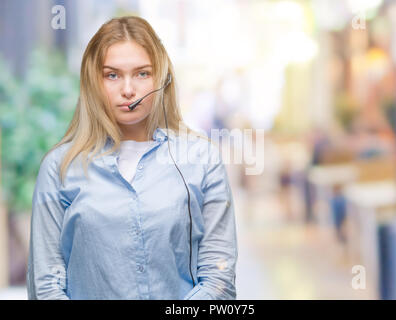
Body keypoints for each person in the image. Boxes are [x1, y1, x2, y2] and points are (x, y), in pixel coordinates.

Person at [26, 16, 238, 300]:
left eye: (142, 73)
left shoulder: (202, 160)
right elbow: (46, 287)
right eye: (112, 75)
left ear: (161, 79)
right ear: (93, 82)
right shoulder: (59, 168)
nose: (128, 89)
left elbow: (218, 279)